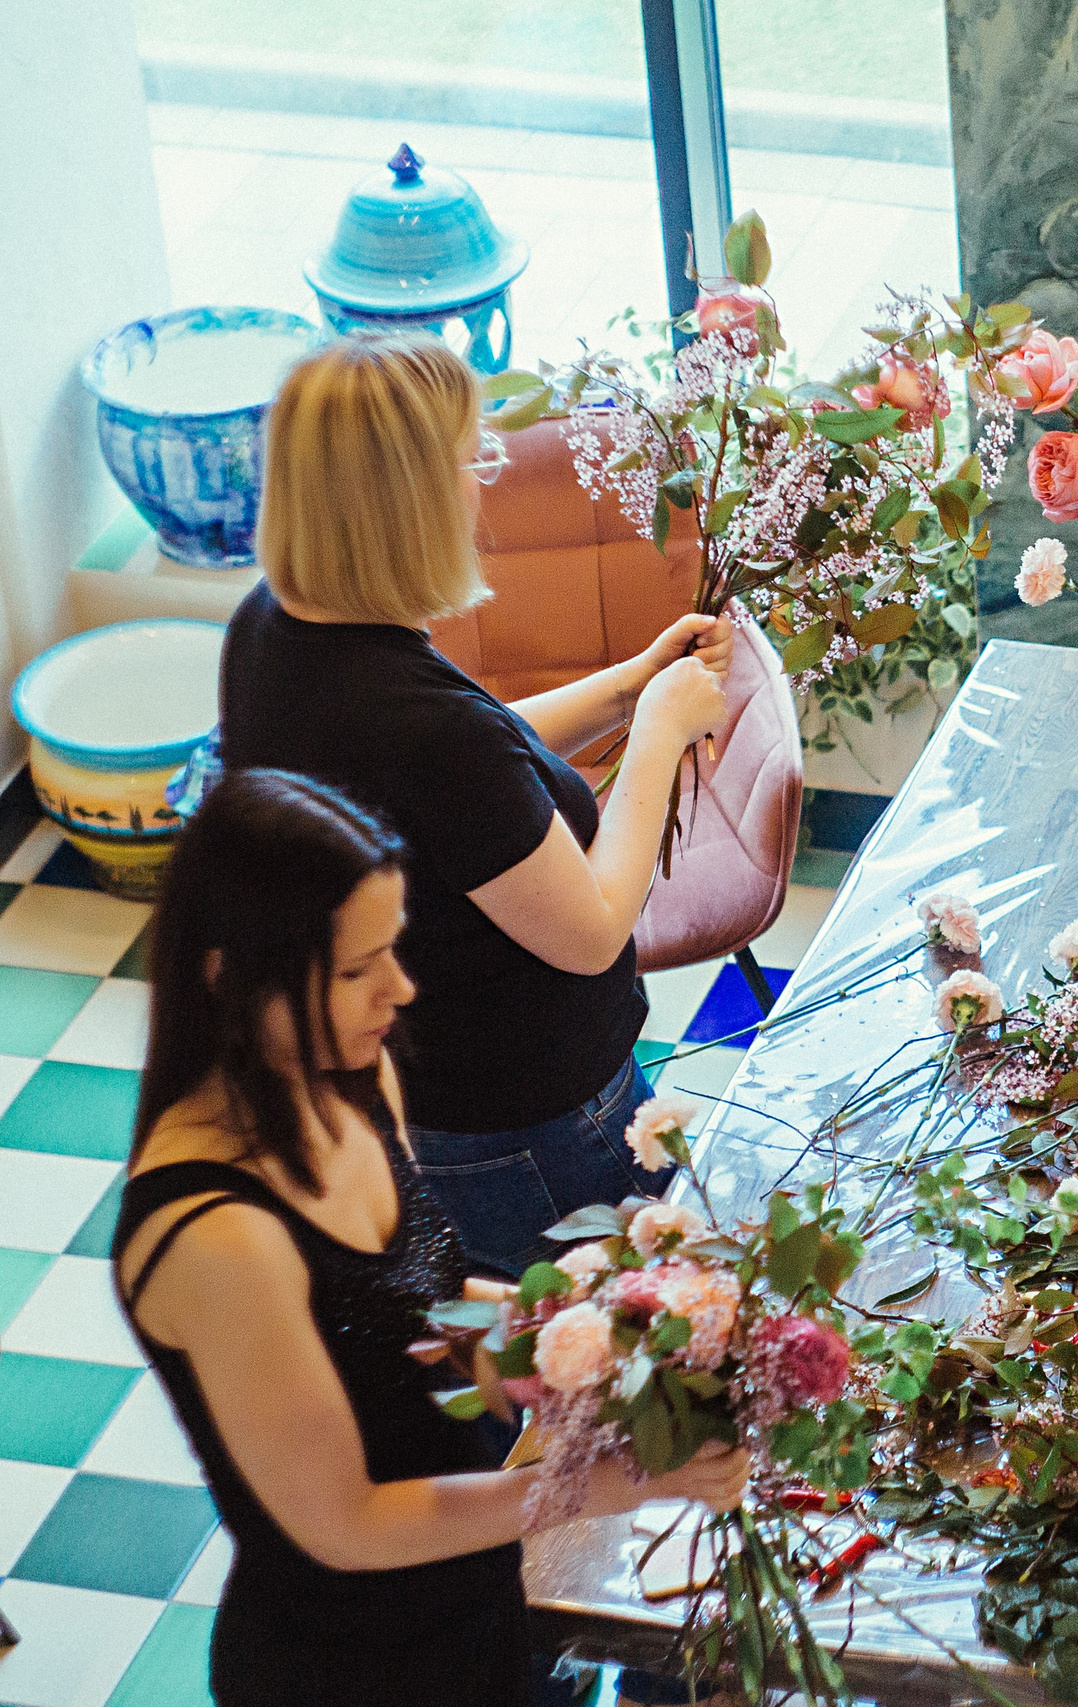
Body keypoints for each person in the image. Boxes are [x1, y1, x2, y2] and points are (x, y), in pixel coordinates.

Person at [113, 769, 748, 1707]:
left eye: (393, 951)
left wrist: (599, 1323)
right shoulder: (219, 1239)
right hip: (349, 1663)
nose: (400, 990)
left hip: (469, 1590)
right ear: (230, 978)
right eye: (358, 970)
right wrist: (605, 1485)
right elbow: (350, 1522)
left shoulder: (355, 1077)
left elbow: (419, 1303)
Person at [220, 332, 733, 1275]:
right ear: (407, 501)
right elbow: (592, 929)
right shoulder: (422, 730)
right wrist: (658, 733)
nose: (482, 481)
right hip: (526, 1130)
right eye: (473, 457)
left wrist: (626, 687)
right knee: (591, 1381)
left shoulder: (274, 627)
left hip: (430, 1098)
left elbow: (477, 759)